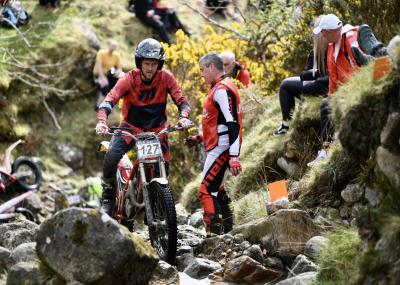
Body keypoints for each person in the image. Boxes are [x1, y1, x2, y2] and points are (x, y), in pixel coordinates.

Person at [95, 38, 192, 216]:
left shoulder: (166, 78)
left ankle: (156, 204)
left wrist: (184, 117)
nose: (150, 68)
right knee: (112, 155)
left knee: (165, 170)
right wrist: (102, 120)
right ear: (140, 63)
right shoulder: (128, 79)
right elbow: (109, 100)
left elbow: (182, 101)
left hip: (158, 131)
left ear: (159, 64)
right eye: (146, 63)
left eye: (154, 64)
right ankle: (108, 195)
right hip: (130, 128)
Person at [185, 52, 242, 237]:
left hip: (222, 148)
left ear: (211, 67)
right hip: (221, 146)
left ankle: (213, 236)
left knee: (206, 192)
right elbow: (220, 123)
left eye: (202, 69)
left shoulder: (221, 90)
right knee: (219, 188)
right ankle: (229, 231)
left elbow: (232, 123)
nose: (201, 74)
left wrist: (234, 156)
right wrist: (201, 137)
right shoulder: (219, 87)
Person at [307, 14, 373, 166]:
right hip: (342, 92)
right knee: (326, 104)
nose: (322, 36)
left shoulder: (350, 39)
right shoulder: (331, 47)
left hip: (357, 89)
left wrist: (348, 93)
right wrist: (331, 95)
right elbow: (333, 76)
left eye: (323, 32)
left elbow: (361, 69)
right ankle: (325, 150)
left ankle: (330, 149)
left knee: (328, 106)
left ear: (331, 31)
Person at [273, 16, 329, 136]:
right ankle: (287, 123)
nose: (311, 35)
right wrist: (308, 74)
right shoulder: (319, 50)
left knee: (285, 85)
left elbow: (316, 73)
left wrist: (309, 74)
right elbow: (309, 72)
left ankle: (285, 125)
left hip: (325, 85)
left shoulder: (327, 48)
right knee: (289, 83)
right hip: (321, 83)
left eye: (313, 32)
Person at [93, 40, 124, 111]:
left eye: (115, 46)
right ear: (108, 45)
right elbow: (99, 66)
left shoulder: (117, 55)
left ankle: (115, 103)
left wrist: (118, 72)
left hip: (109, 74)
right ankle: (98, 106)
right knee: (105, 86)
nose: (113, 48)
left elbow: (119, 68)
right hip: (99, 74)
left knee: (120, 82)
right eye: (112, 46)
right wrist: (102, 77)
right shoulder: (101, 53)